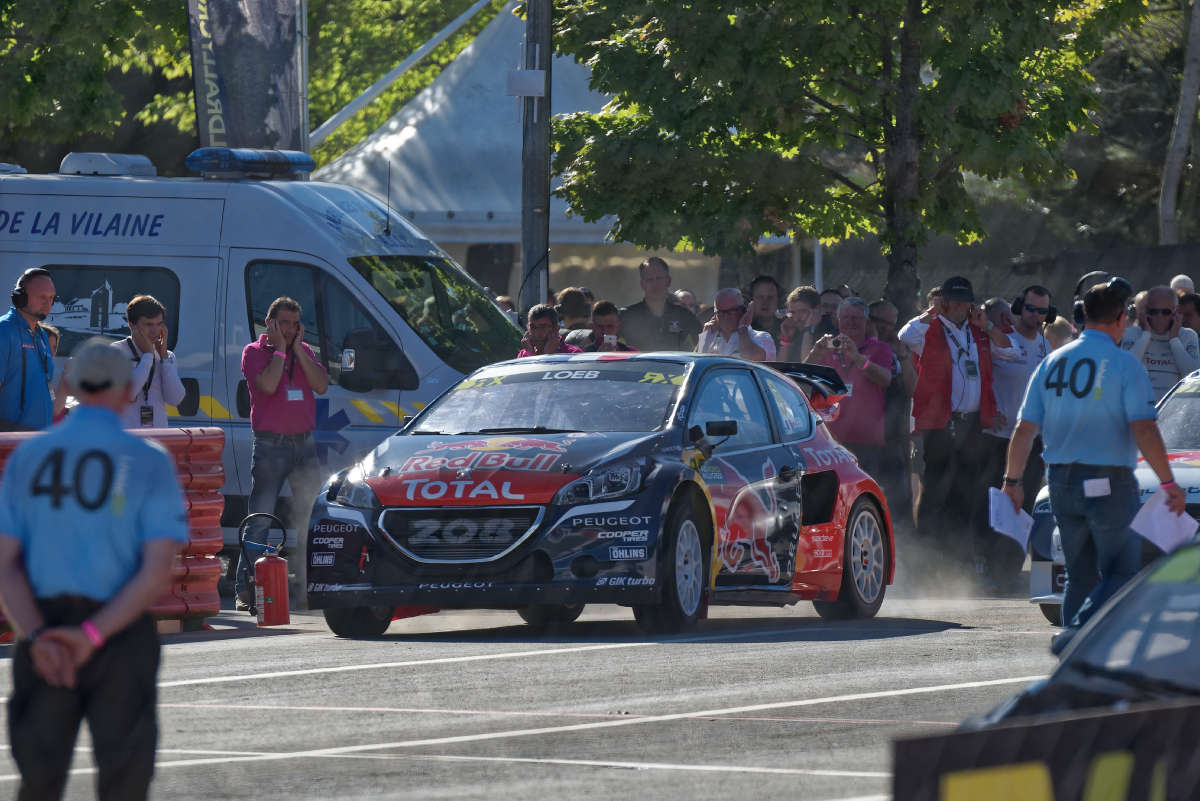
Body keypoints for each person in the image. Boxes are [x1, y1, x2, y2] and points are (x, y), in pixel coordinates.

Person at [0, 337, 190, 801]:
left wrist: (40, 636)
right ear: (128, 390)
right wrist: (92, 635)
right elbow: (154, 572)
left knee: (39, 785)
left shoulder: (28, 457)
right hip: (119, 634)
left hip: (43, 632)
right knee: (124, 784)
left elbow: (4, 565)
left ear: (74, 385)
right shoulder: (149, 461)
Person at [1003, 280, 1185, 652]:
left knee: (1079, 575)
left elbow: (1024, 430)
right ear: (1121, 318)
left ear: (1084, 316)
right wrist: (1168, 484)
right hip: (1107, 480)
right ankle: (1075, 637)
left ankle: (1075, 655)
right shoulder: (1124, 364)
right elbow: (1145, 428)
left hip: (1059, 481)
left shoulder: (1052, 362)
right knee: (1120, 570)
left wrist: (1012, 480)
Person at [898, 276, 1017, 576]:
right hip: (941, 422)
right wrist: (930, 313)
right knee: (936, 489)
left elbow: (1011, 350)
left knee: (966, 492)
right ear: (944, 302)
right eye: (955, 302)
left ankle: (956, 561)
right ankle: (925, 560)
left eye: (965, 303)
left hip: (973, 423)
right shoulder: (929, 329)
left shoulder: (978, 331)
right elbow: (904, 335)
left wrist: (987, 325)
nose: (961, 308)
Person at [238, 297, 329, 612]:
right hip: (270, 445)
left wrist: (300, 351)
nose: (290, 330)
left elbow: (321, 385)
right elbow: (267, 384)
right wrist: (278, 350)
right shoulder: (253, 352)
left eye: (295, 323)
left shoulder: (304, 352)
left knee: (310, 517)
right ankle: (248, 590)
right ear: (271, 323)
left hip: (303, 444)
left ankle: (309, 588)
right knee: (261, 518)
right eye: (284, 323)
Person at [981, 287, 1055, 583]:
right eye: (1031, 309)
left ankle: (1009, 569)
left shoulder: (1044, 346)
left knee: (1024, 506)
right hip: (998, 438)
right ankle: (986, 564)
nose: (1036, 316)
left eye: (1042, 311)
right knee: (993, 504)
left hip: (1032, 441)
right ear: (1019, 307)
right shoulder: (1004, 339)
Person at [809, 298, 895, 475]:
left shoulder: (880, 348)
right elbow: (802, 381)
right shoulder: (827, 348)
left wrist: (858, 358)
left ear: (867, 322)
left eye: (856, 318)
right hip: (829, 441)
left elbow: (885, 380)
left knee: (863, 495)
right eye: (846, 317)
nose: (851, 322)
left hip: (866, 440)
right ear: (837, 320)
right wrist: (814, 354)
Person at [868, 298, 917, 526]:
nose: (883, 327)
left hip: (893, 436)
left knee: (897, 497)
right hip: (864, 435)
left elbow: (912, 388)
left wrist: (904, 356)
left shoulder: (899, 350)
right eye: (878, 320)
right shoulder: (860, 347)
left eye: (889, 323)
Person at [112, 295, 186, 429]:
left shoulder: (167, 356)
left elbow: (175, 399)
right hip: (126, 438)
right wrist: (147, 357)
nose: (155, 331)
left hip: (158, 438)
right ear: (131, 325)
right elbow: (127, 395)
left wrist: (164, 358)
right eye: (148, 324)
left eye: (159, 324)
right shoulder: (115, 352)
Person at [1120, 285, 1200, 401]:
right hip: (1141, 413)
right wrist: (1146, 336)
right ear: (1146, 311)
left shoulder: (1187, 336)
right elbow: (1124, 370)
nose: (1159, 317)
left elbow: (1193, 378)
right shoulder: (1132, 334)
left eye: (1166, 312)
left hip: (1172, 413)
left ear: (1176, 311)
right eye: (1153, 312)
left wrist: (1174, 340)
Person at [0, 267, 56, 431]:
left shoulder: (41, 335)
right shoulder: (4, 331)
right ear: (20, 298)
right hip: (9, 438)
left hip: (40, 437)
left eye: (52, 298)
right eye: (42, 297)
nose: (48, 304)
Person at [620, 257, 702, 351]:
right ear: (642, 284)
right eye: (649, 280)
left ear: (668, 281)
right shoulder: (628, 316)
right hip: (639, 365)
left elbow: (704, 344)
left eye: (659, 278)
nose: (655, 284)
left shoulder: (683, 315)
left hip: (674, 365)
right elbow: (609, 345)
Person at [696, 288, 776, 361]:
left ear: (743, 311)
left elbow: (752, 359)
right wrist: (706, 335)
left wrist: (743, 328)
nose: (726, 317)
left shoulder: (762, 338)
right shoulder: (712, 340)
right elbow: (694, 364)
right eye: (721, 312)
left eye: (731, 311)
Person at [517, 304, 583, 357]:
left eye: (543, 327)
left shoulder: (573, 354)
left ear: (556, 329)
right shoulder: (524, 354)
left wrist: (548, 356)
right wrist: (530, 354)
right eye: (533, 327)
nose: (537, 333)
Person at [778, 286, 821, 362]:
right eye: (793, 312)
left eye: (802, 311)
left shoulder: (828, 329)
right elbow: (779, 368)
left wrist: (808, 329)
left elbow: (807, 364)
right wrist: (786, 338)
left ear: (817, 309)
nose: (796, 318)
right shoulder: (795, 331)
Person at [749, 275, 785, 345]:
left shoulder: (786, 327)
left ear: (778, 300)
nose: (765, 302)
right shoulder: (744, 330)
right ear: (752, 300)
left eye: (770, 297)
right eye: (760, 297)